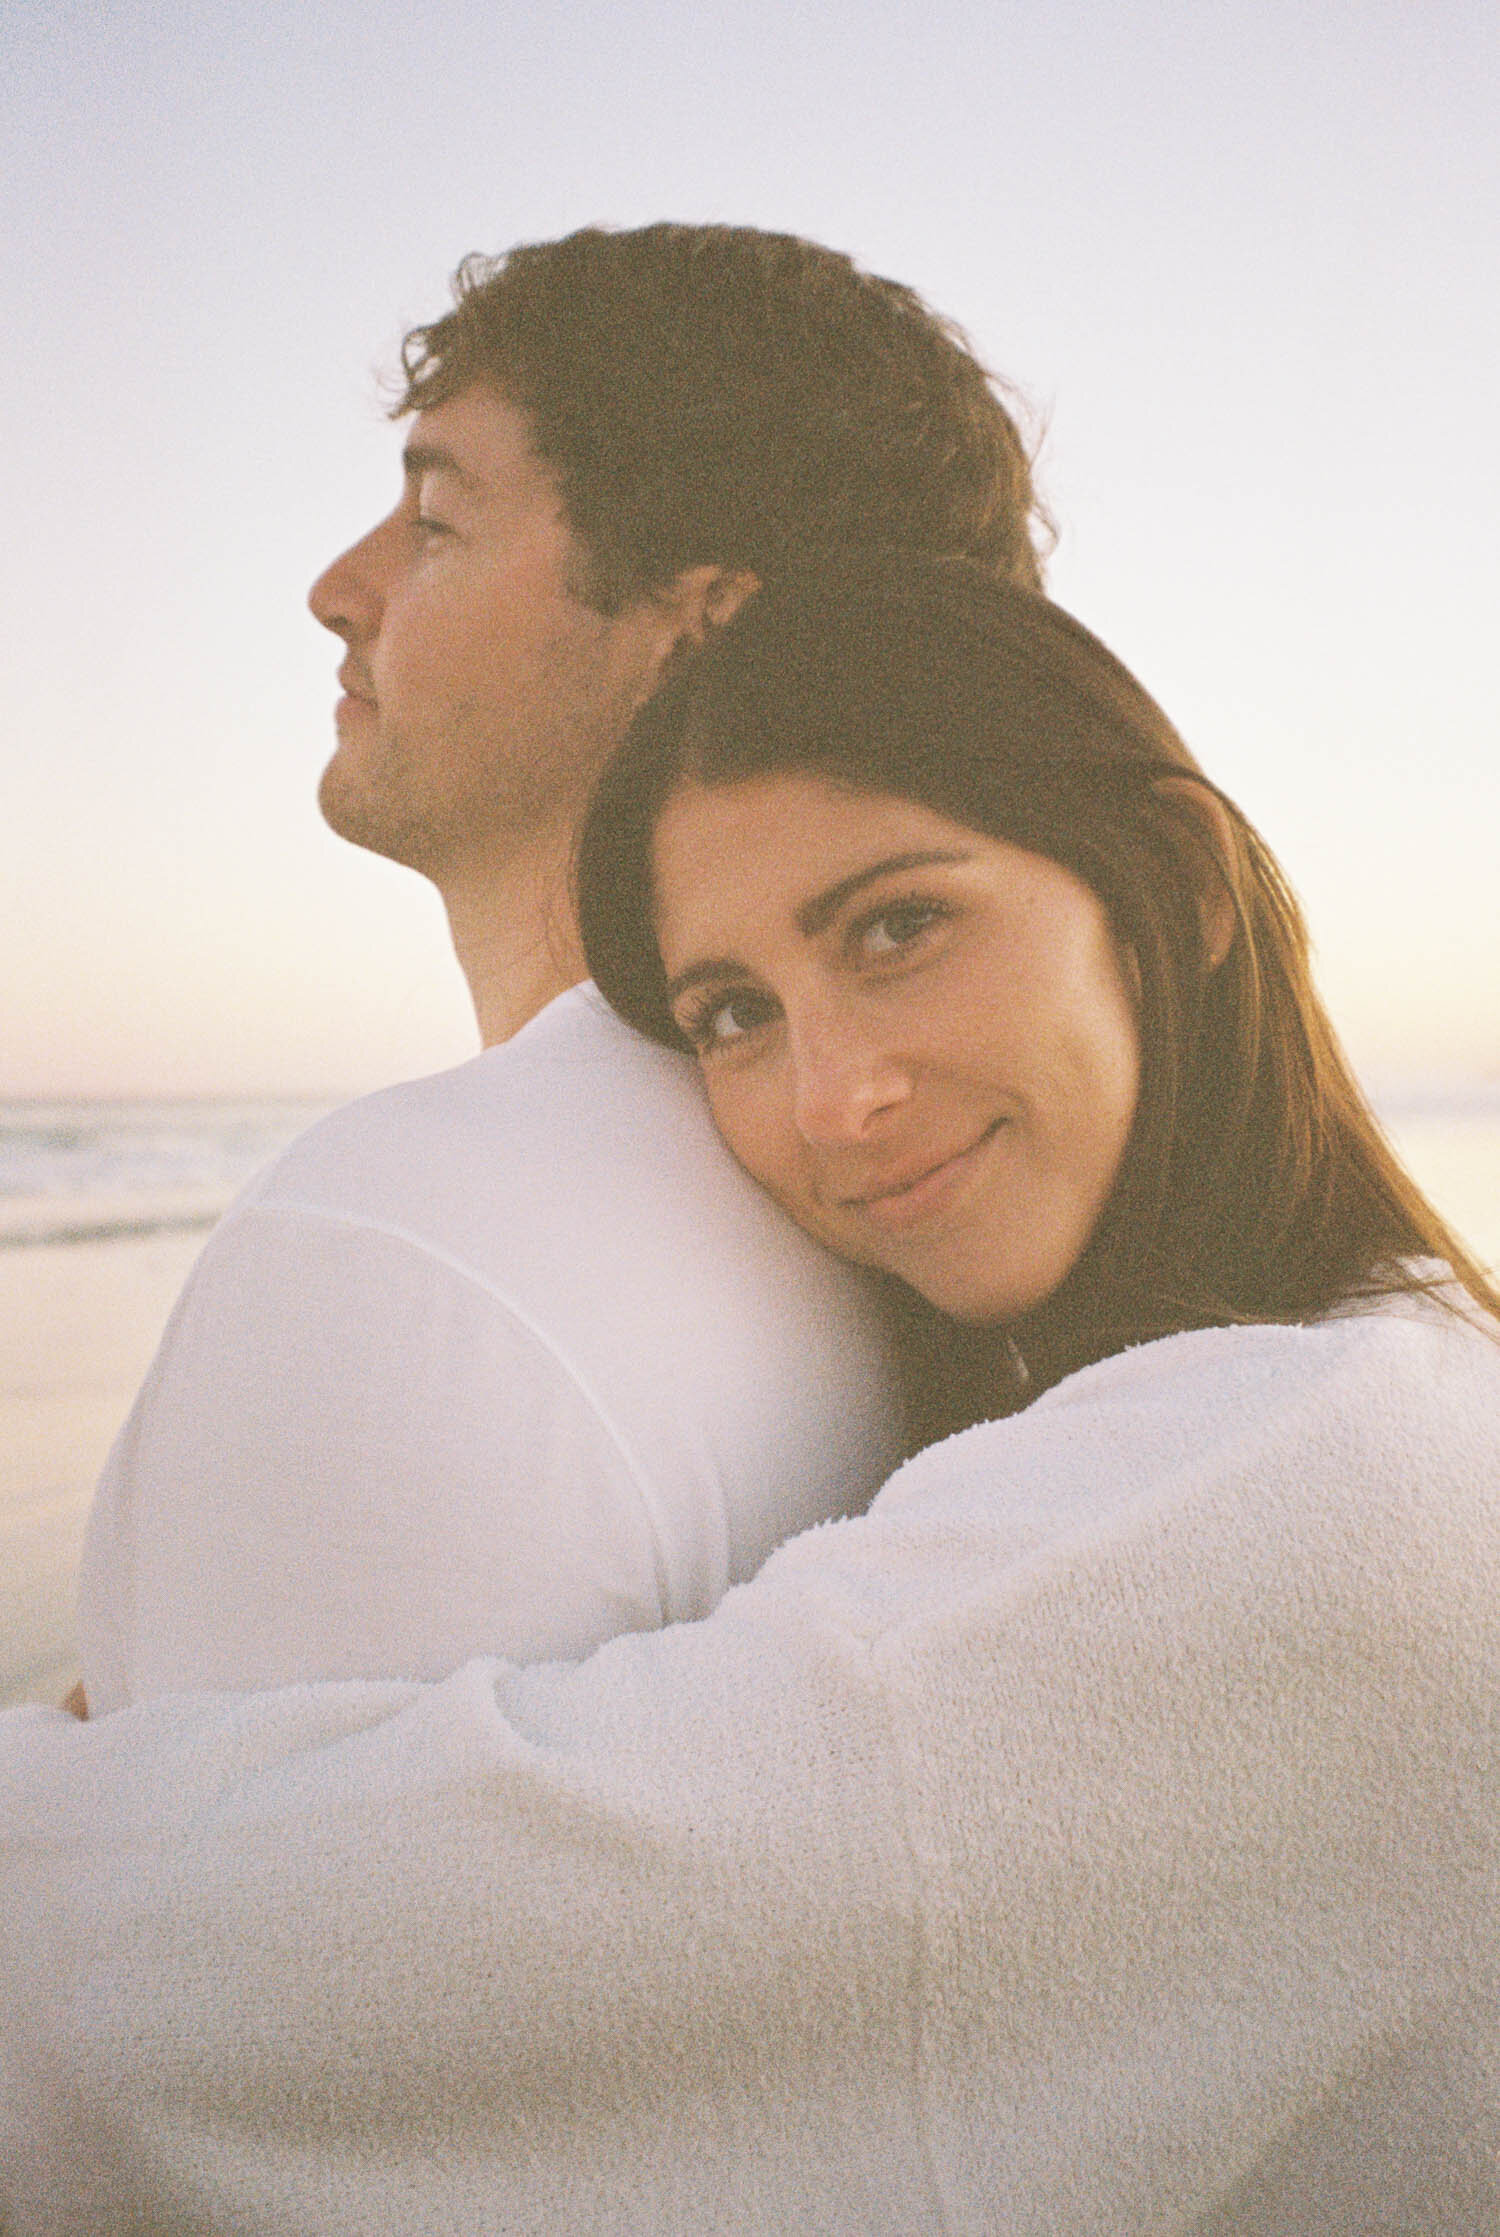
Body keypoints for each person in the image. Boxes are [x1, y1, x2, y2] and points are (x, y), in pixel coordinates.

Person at [4, 553, 1497, 2232]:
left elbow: (318, 1983)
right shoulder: (1404, 1374)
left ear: (1181, 888)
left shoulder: (1296, 1482)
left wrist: (86, 1767)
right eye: (732, 1012)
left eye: (899, 925)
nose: (835, 1096)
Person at [72, 223, 1048, 1710]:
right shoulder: (923, 1227)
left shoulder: (401, 1253)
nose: (342, 588)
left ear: (701, 633)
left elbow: (190, 1924)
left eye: (437, 522)